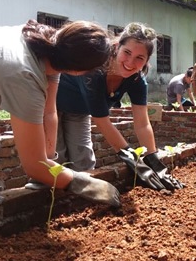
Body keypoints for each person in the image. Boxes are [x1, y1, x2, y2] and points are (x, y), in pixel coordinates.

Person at [0, 20, 121, 212]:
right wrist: (82, 183)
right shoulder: (24, 76)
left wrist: (49, 160)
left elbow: (49, 112)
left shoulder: (49, 51)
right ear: (79, 71)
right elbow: (34, 166)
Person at [38, 22, 183, 191]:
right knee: (57, 158)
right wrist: (133, 160)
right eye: (127, 52)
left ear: (146, 61)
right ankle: (52, 203)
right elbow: (102, 122)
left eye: (139, 58)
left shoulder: (137, 81)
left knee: (83, 160)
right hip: (52, 106)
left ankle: (80, 201)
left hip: (80, 111)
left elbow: (142, 124)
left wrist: (154, 161)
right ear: (116, 47)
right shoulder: (95, 72)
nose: (130, 62)